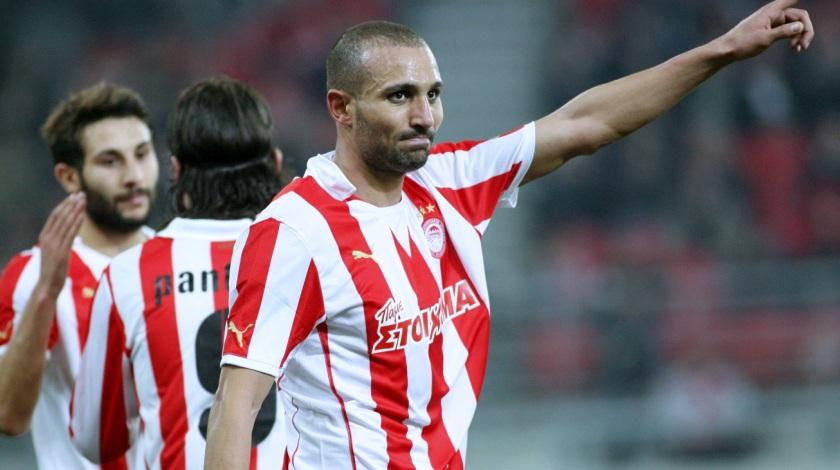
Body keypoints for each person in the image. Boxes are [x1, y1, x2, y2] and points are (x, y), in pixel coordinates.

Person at [204, 1, 814, 468]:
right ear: (341, 108)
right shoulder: (296, 230)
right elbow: (237, 403)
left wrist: (723, 50)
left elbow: (587, 123)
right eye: (400, 97)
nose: (424, 116)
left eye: (433, 95)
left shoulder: (450, 182)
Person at [70, 76, 287, 469]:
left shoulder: (129, 275)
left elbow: (95, 440)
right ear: (275, 162)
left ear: (176, 169)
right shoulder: (314, 257)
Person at [0, 83, 159, 469]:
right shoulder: (31, 275)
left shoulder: (177, 258)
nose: (133, 176)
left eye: (142, 154)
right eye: (110, 161)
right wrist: (47, 292)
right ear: (69, 177)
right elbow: (8, 416)